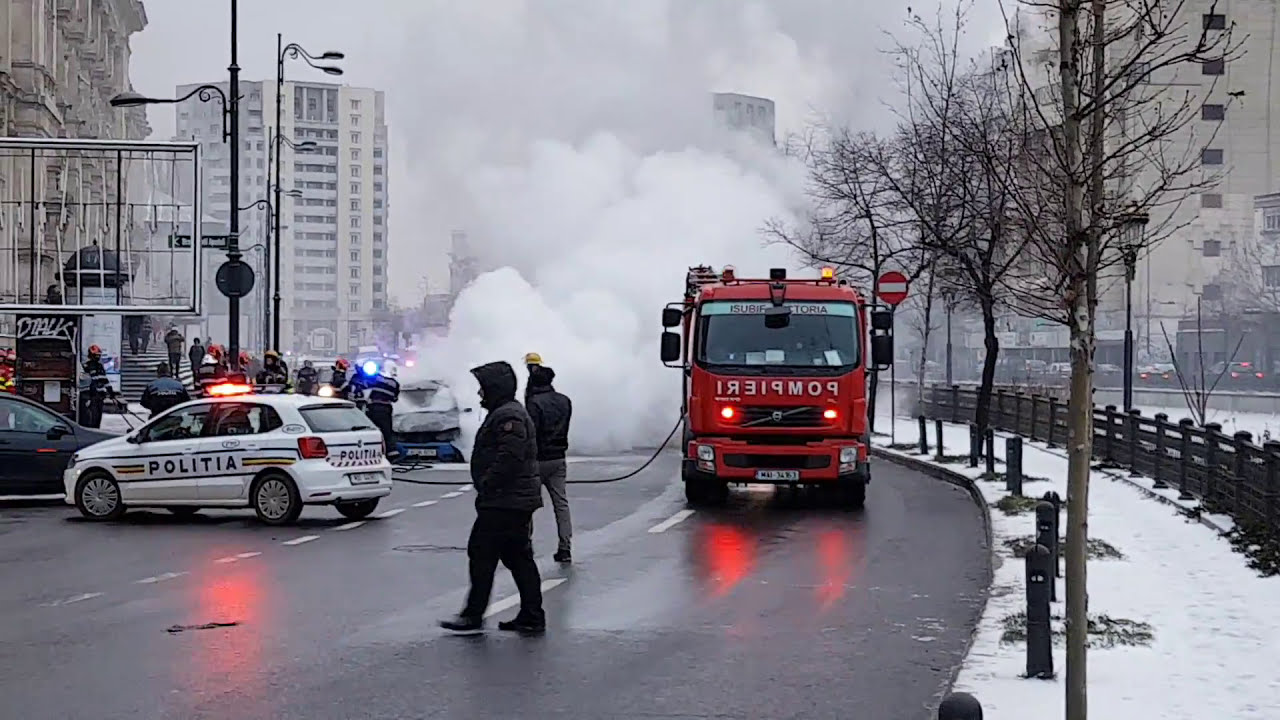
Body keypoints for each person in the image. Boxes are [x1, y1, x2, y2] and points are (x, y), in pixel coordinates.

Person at [440, 361, 545, 635]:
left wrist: (488, 484)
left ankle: (473, 615)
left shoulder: (509, 416)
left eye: (483, 389)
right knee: (518, 557)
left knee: (482, 553)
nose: (479, 395)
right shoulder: (506, 412)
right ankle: (531, 615)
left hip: (505, 502)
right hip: (510, 500)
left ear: (496, 389)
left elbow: (509, 456)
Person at [524, 354, 574, 563]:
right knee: (561, 504)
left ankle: (526, 547)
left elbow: (530, 433)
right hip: (558, 458)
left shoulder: (533, 404)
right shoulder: (565, 401)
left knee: (527, 505)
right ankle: (565, 547)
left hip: (537, 460)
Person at [365, 360, 401, 458]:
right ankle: (391, 453)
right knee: (387, 431)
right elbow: (394, 399)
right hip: (386, 409)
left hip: (372, 408)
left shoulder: (376, 378)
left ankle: (372, 453)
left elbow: (365, 386)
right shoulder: (395, 384)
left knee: (371, 430)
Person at [80, 345, 117, 428]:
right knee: (92, 417)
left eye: (99, 355)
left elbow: (104, 380)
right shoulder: (86, 367)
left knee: (98, 418)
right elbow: (87, 382)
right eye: (96, 355)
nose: (98, 357)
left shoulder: (100, 366)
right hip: (91, 397)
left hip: (100, 397)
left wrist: (111, 393)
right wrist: (89, 396)